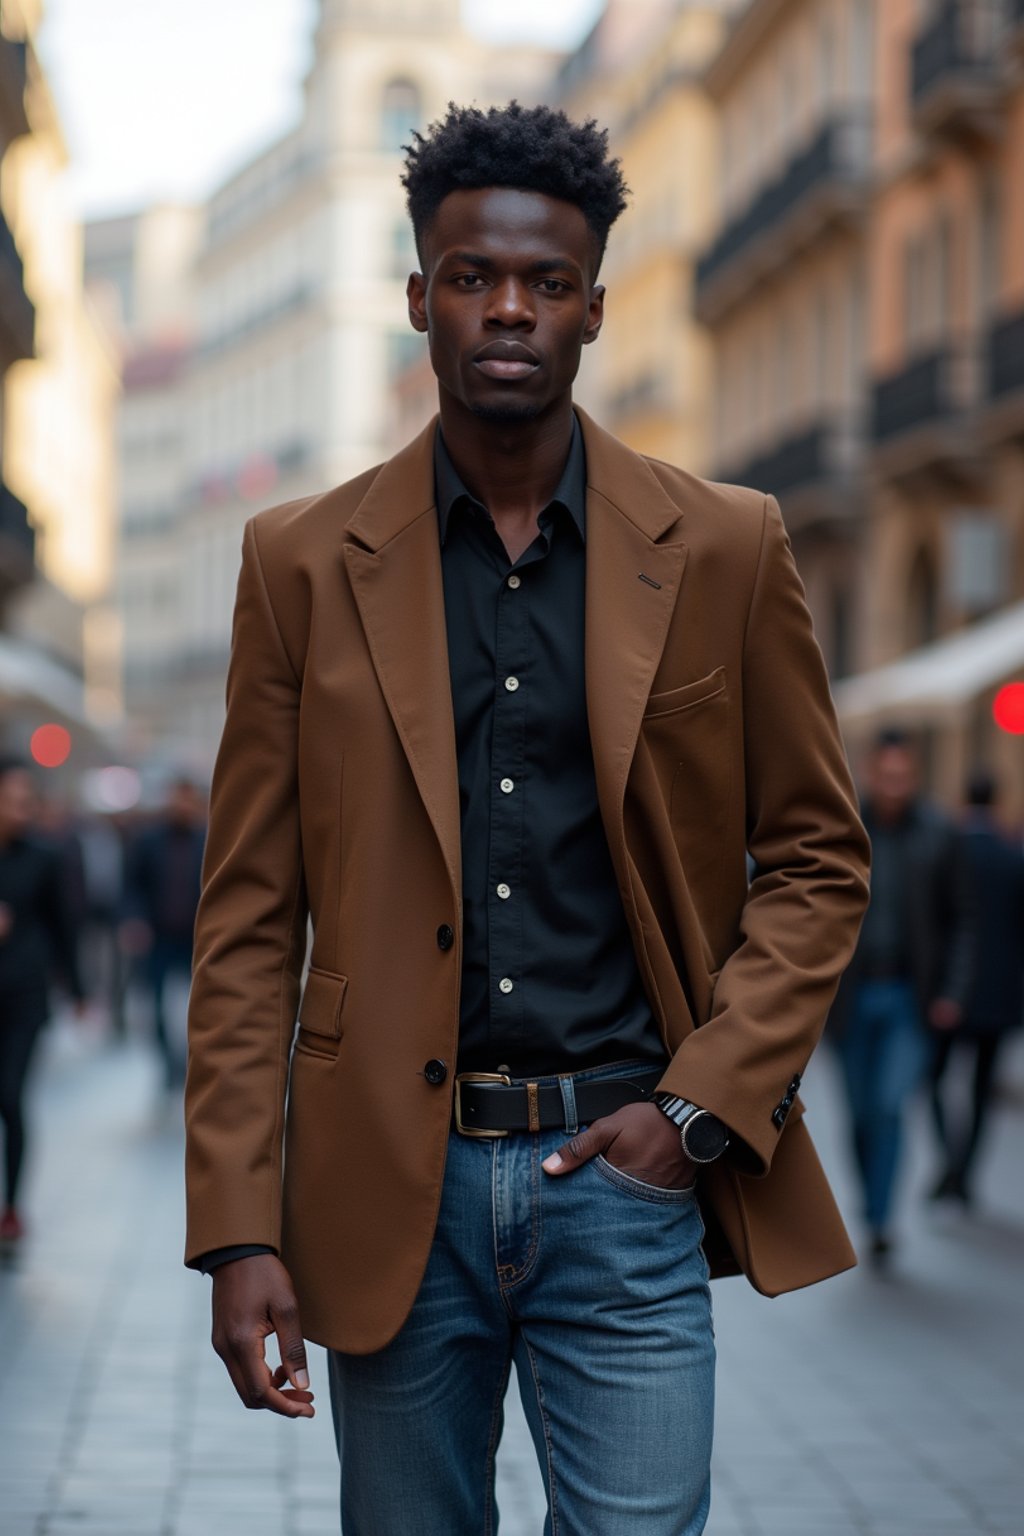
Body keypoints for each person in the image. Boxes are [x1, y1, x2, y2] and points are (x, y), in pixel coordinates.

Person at [184, 103, 870, 1535]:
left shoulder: (729, 547)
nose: (511, 309)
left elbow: (815, 859)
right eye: (474, 277)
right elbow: (249, 921)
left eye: (547, 284)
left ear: (596, 308)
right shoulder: (300, 562)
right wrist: (238, 1227)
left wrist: (693, 1113)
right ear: (419, 296)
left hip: (625, 1180)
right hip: (391, 1189)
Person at [830, 727, 972, 1264]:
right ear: (871, 772)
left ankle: (883, 1218)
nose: (895, 786)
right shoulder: (844, 829)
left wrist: (952, 992)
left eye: (904, 776)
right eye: (886, 776)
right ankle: (871, 1205)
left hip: (910, 998)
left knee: (889, 1107)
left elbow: (963, 920)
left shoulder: (939, 833)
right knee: (861, 1113)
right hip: (850, 999)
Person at [0, 757, 86, 1245]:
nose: (21, 810)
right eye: (12, 800)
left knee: (10, 1095)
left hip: (25, 996)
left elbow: (64, 925)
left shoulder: (44, 856)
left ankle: (11, 1205)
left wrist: (76, 989)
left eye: (26, 801)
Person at [928, 771, 1024, 1205]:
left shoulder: (948, 848)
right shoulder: (1013, 854)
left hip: (950, 989)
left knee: (934, 1079)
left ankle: (951, 1162)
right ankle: (963, 1170)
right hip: (1000, 991)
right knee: (982, 1088)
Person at [121, 777, 206, 1090]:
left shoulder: (207, 839)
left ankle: (190, 1062)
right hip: (157, 938)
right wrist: (133, 921)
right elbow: (131, 886)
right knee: (154, 1006)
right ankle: (166, 1065)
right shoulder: (148, 841)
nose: (181, 805)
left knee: (197, 1005)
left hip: (195, 940)